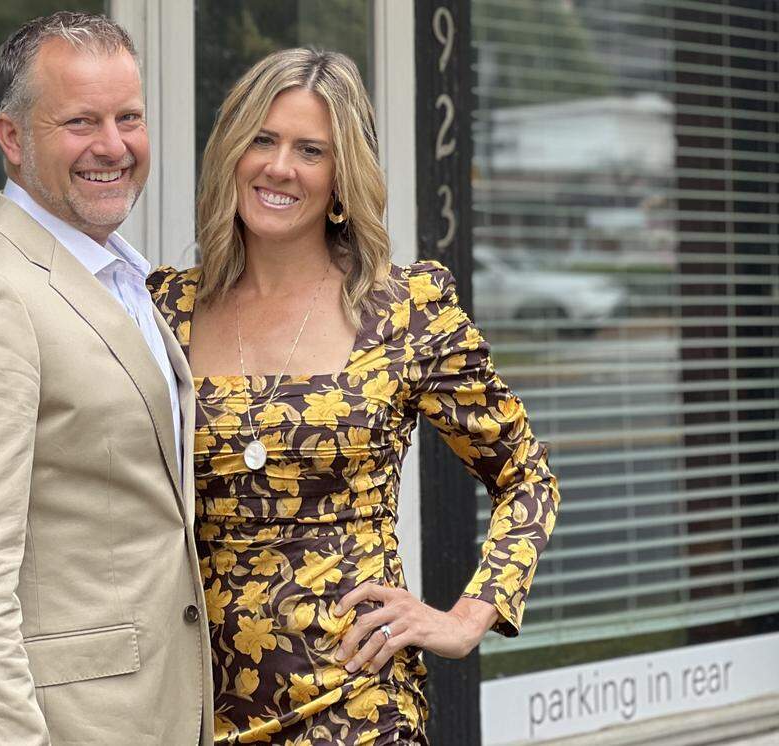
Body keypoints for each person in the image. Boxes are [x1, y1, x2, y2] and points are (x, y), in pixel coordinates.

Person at [149, 48, 559, 744]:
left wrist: (463, 618)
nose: (280, 167)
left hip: (358, 709)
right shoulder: (164, 309)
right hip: (186, 711)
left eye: (311, 149)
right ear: (231, 154)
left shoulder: (403, 310)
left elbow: (528, 480)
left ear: (342, 178)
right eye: (263, 139)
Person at [0, 12, 212, 745]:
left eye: (128, 117)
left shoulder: (121, 277)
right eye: (80, 121)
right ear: (12, 138)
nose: (113, 145)